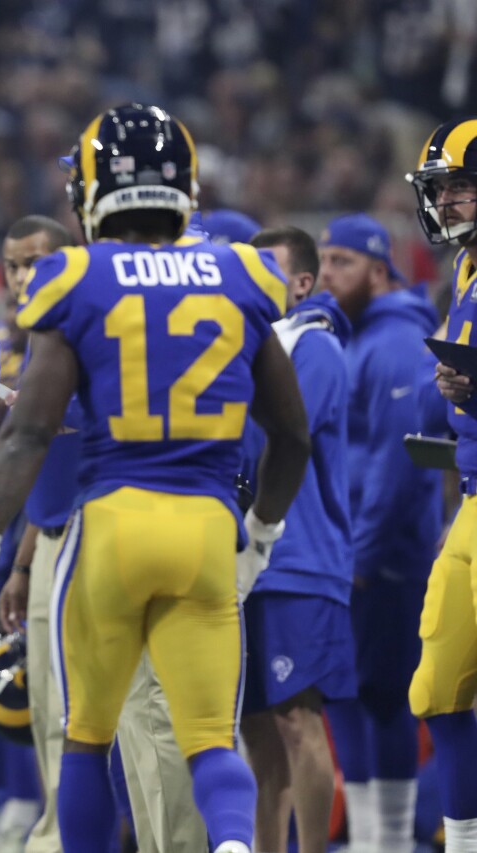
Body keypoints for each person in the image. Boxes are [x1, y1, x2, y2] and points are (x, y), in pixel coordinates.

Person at [0, 104, 310, 853]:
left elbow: (27, 433)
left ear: (90, 192)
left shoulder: (75, 275)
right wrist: (263, 533)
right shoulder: (242, 269)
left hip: (115, 524)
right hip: (209, 527)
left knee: (86, 737)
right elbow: (292, 433)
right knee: (211, 738)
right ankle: (236, 845)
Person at [317, 213, 441, 853]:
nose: (330, 275)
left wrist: (361, 555)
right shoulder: (364, 335)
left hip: (386, 557)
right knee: (356, 698)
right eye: (325, 261)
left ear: (378, 265)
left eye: (342, 261)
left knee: (385, 700)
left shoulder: (393, 342)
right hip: (361, 550)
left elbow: (397, 462)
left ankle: (386, 843)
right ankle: (374, 840)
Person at [237, 226, 356, 853]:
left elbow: (275, 436)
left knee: (297, 721)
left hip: (300, 561)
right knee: (258, 732)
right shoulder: (265, 343)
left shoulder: (313, 347)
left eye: (271, 271)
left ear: (302, 284)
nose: (254, 281)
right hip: (250, 564)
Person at [0, 214, 76, 853]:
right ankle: (39, 817)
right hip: (29, 536)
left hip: (81, 530)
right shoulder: (7, 345)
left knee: (86, 702)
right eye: (14, 264)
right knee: (31, 690)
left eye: (36, 261)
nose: (23, 276)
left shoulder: (77, 334)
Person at [407, 117, 477, 851]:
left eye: (461, 186)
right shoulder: (466, 270)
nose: (447, 201)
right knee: (436, 689)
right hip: (472, 498)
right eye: (444, 188)